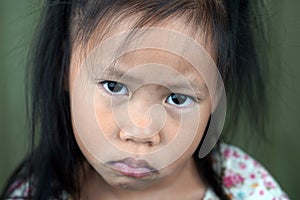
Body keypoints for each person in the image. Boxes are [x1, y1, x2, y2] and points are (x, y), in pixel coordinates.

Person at [1, 0, 290, 199]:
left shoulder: (246, 190)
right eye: (114, 86)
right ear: (64, 67)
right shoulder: (32, 194)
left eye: (177, 98)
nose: (140, 131)